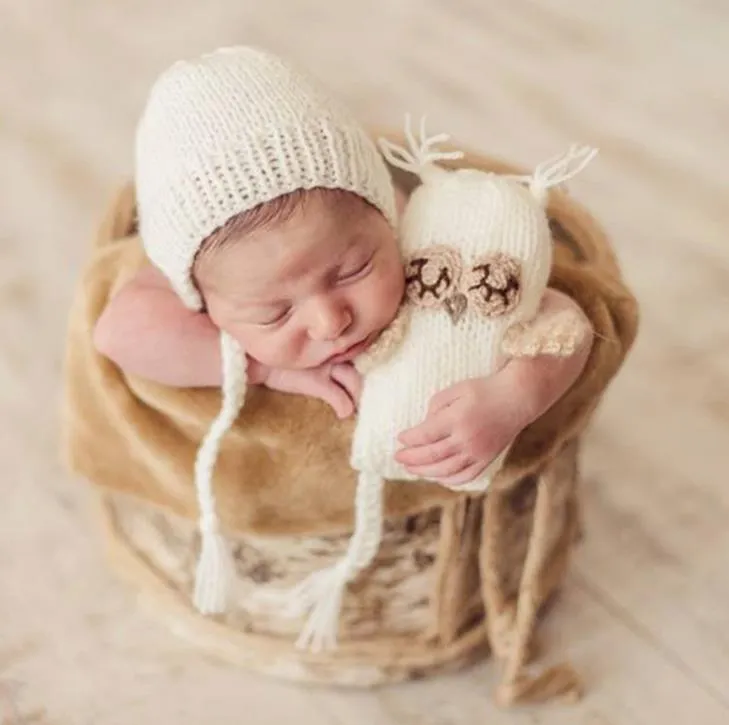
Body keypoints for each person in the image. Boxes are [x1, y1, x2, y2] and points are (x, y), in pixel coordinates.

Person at [93, 45, 593, 492]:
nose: (330, 321)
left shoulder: (418, 236)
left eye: (352, 270)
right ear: (201, 300)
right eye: (273, 313)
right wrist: (265, 368)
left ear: (388, 214)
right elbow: (118, 333)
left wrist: (514, 397)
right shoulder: (196, 266)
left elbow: (560, 317)